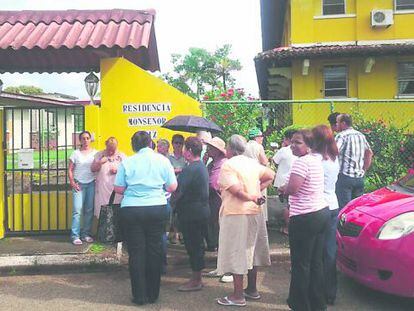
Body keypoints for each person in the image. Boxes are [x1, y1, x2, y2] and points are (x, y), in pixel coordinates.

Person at [114, 131, 177, 305]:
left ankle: (139, 296)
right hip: (156, 207)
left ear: (134, 145)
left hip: (132, 209)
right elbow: (172, 186)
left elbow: (118, 188)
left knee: (136, 252)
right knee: (154, 251)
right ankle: (153, 294)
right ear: (150, 143)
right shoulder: (163, 161)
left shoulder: (127, 162)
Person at [216, 135, 275, 307]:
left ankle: (237, 295)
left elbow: (234, 190)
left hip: (236, 213)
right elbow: (270, 175)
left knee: (237, 252)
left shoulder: (229, 165)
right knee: (252, 251)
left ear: (231, 149)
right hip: (254, 213)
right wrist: (257, 192)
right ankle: (252, 289)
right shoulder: (251, 162)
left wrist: (250, 196)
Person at [279, 129, 329, 311]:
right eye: (292, 141)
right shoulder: (316, 160)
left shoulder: (301, 162)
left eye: (298, 142)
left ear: (309, 146)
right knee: (316, 262)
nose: (293, 145)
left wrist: (284, 188)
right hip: (320, 212)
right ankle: (317, 303)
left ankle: (300, 304)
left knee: (301, 263)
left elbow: (293, 189)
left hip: (305, 217)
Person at [172, 137, 210, 292]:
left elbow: (179, 191)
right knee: (197, 245)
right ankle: (197, 277)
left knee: (193, 246)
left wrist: (171, 204)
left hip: (191, 213)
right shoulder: (201, 166)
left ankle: (196, 280)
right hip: (201, 211)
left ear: (188, 151)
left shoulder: (190, 169)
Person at [312, 125, 340, 305]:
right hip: (333, 205)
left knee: (315, 252)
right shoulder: (334, 158)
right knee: (329, 251)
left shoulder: (314, 159)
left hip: (317, 207)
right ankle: (331, 292)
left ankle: (317, 292)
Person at [335, 113, 373, 209]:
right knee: (356, 208)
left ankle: (343, 225)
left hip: (345, 177)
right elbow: (369, 152)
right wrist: (364, 169)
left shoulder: (341, 136)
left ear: (343, 123)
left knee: (344, 208)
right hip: (359, 177)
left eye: (337, 122)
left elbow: (334, 152)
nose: (336, 125)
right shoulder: (360, 135)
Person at [68, 131, 98, 245]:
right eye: (83, 138)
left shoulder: (96, 153)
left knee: (89, 210)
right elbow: (70, 169)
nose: (85, 140)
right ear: (80, 140)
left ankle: (86, 234)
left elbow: (99, 165)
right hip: (78, 184)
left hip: (91, 183)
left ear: (90, 139)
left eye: (87, 138)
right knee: (77, 210)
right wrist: (72, 182)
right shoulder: (75, 154)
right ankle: (75, 235)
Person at [91, 137, 126, 219]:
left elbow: (128, 171)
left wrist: (118, 171)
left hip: (117, 190)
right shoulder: (99, 155)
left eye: (113, 150)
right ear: (105, 145)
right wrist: (100, 162)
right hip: (103, 189)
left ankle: (116, 231)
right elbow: (92, 169)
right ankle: (104, 230)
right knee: (102, 212)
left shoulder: (122, 156)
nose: (110, 152)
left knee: (116, 212)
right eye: (109, 149)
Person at [272, 129, 298, 235]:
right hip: (297, 181)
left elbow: (274, 161)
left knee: (288, 205)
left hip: (283, 182)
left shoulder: (284, 150)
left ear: (287, 139)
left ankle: (288, 228)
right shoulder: (301, 150)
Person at [205, 137, 227, 252]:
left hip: (217, 198)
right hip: (212, 198)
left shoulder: (221, 164)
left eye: (211, 148)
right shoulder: (211, 164)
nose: (208, 150)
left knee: (217, 224)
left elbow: (214, 184)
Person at [244, 127, 269, 222]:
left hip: (246, 175)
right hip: (258, 175)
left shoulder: (244, 146)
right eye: (261, 136)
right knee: (260, 196)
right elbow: (264, 162)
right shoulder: (259, 147)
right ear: (256, 137)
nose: (262, 138)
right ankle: (261, 219)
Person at [168, 134, 186, 244]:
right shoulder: (168, 158)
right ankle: (174, 235)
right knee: (172, 212)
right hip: (172, 188)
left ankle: (182, 234)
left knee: (182, 212)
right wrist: (178, 170)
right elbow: (167, 172)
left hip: (183, 188)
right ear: (172, 144)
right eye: (176, 142)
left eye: (180, 142)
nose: (178, 145)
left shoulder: (186, 157)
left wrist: (176, 170)